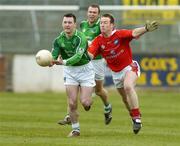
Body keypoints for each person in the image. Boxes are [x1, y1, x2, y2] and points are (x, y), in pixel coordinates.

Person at [88, 13, 158, 134]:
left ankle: (137, 118)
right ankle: (134, 117)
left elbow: (134, 33)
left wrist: (145, 29)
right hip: (116, 74)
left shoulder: (119, 34)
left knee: (128, 86)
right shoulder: (98, 40)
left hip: (129, 67)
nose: (102, 25)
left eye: (105, 23)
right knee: (125, 99)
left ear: (112, 25)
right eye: (101, 23)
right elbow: (89, 56)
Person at [58, 4, 112, 126]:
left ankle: (107, 107)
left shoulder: (101, 26)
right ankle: (69, 115)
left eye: (94, 12)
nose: (92, 14)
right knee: (73, 87)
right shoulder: (82, 24)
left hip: (96, 61)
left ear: (98, 14)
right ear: (87, 13)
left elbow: (106, 38)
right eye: (90, 12)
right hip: (83, 60)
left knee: (98, 91)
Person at [50, 13, 95, 137]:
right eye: (65, 22)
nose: (67, 25)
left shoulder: (81, 38)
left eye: (70, 22)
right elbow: (54, 55)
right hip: (70, 72)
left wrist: (62, 62)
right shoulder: (58, 40)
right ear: (62, 24)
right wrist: (50, 61)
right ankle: (76, 130)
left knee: (85, 102)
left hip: (85, 70)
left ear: (75, 24)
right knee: (72, 103)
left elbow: (78, 56)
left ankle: (89, 100)